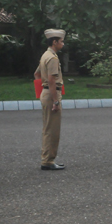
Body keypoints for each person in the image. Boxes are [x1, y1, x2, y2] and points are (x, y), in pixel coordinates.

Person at [34, 29, 67, 170]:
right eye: (61, 41)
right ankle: (48, 161)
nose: (63, 44)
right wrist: (54, 100)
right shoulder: (52, 58)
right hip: (52, 94)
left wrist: (43, 91)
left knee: (47, 128)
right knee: (52, 130)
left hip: (46, 93)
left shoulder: (45, 55)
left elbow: (37, 74)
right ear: (55, 42)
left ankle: (47, 159)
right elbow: (52, 80)